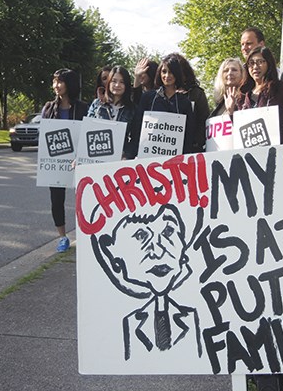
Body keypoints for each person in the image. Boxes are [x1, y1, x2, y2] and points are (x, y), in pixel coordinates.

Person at [94, 204, 201, 360]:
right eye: (140, 236)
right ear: (112, 253)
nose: (158, 251)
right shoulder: (123, 324)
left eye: (168, 231)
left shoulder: (195, 318)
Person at [41, 68, 88, 252]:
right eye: (54, 82)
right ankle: (62, 237)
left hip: (78, 161)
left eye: (60, 82)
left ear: (70, 84)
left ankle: (85, 233)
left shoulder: (83, 108)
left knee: (82, 198)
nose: (56, 86)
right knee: (56, 200)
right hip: (56, 163)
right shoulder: (48, 108)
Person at [126, 53, 203, 159]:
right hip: (147, 158)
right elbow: (137, 128)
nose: (167, 76)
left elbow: (188, 136)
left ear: (177, 74)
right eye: (164, 71)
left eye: (171, 72)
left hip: (175, 161)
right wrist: (130, 154)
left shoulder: (185, 102)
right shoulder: (148, 97)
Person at [235, 46, 283, 143]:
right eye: (251, 63)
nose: (255, 67)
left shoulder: (280, 88)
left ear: (269, 64)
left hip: (274, 151)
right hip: (249, 153)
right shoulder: (243, 95)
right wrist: (230, 110)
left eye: (260, 62)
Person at [87, 65, 137, 158]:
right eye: (114, 81)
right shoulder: (97, 104)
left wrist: (126, 155)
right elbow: (86, 131)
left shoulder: (132, 109)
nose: (117, 85)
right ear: (109, 83)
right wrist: (80, 155)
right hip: (95, 155)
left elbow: (135, 139)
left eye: (122, 82)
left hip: (118, 160)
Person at [171, 53, 210, 152]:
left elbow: (203, 120)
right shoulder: (160, 95)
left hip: (191, 149)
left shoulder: (197, 94)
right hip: (166, 146)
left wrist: (196, 143)